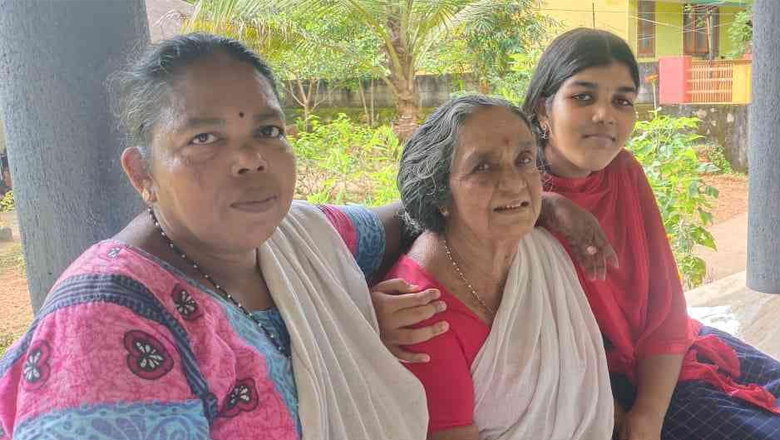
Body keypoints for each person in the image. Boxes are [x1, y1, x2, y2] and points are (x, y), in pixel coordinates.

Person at [0, 33, 429, 440]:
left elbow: (404, 218)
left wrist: (355, 307)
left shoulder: (298, 237)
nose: (250, 159)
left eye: (268, 131)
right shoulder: (109, 322)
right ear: (142, 174)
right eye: (204, 138)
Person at [519, 28, 780, 440]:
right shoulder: (509, 199)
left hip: (665, 353)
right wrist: (545, 204)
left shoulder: (623, 172)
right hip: (598, 387)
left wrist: (649, 413)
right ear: (542, 110)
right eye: (583, 97)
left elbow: (665, 303)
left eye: (622, 101)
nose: (605, 115)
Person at [381, 94, 614, 440]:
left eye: (524, 160)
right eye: (483, 167)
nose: (515, 183)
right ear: (440, 194)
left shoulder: (542, 250)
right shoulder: (417, 311)